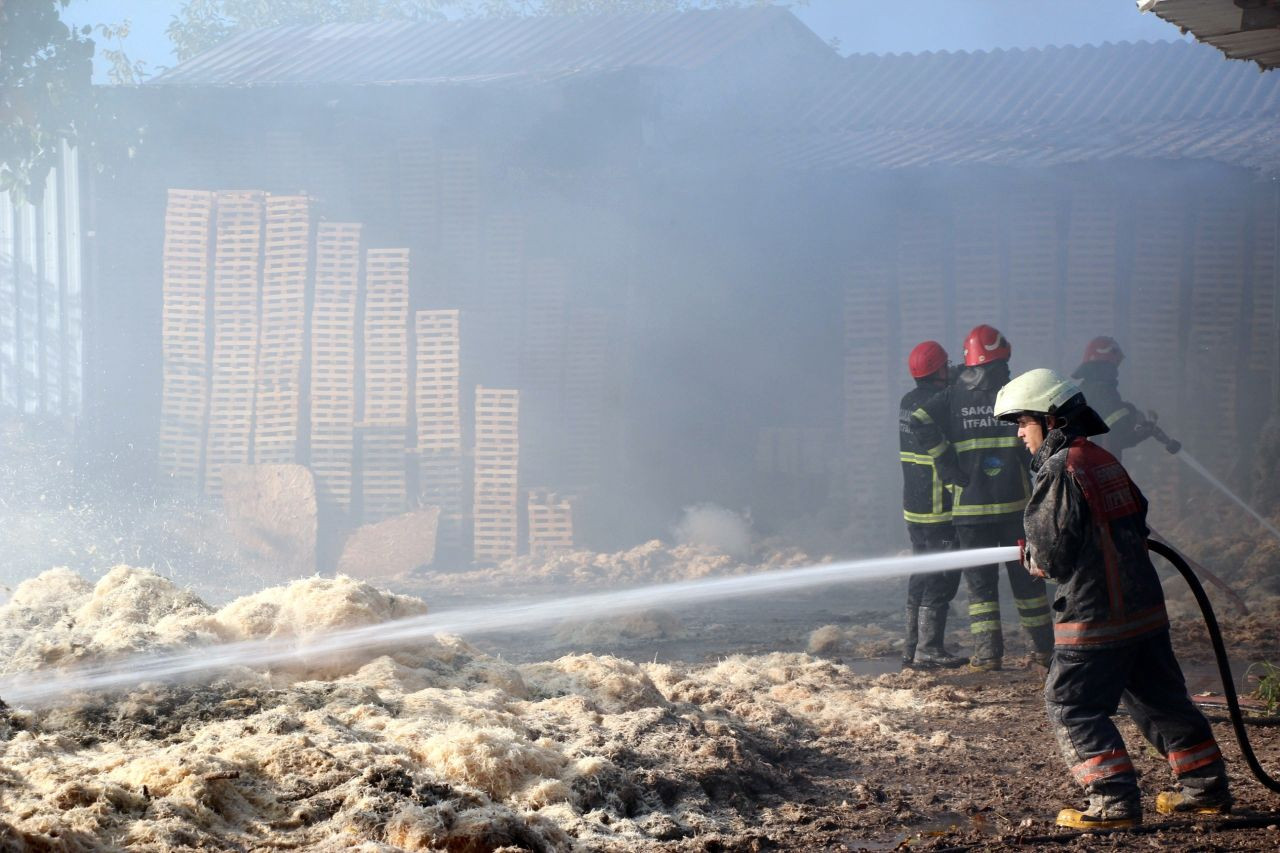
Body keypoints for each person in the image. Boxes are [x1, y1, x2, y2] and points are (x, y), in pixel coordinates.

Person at [994, 368, 1231, 829]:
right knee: (1160, 700)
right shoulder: (1100, 458)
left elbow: (1052, 558)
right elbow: (1138, 519)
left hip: (1095, 616)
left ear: (1051, 419)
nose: (1019, 433)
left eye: (1023, 422)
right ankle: (1206, 789)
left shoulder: (1060, 470)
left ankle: (1113, 802)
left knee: (1071, 704)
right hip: (1142, 609)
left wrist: (1032, 559)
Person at [910, 324, 1053, 671]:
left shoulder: (952, 395)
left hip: (970, 511)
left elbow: (919, 419)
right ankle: (1043, 652)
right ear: (1000, 358)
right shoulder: (1014, 392)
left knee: (980, 589)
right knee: (1029, 582)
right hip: (1016, 508)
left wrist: (946, 462)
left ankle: (988, 656)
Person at [898, 341, 964, 669]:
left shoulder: (908, 401)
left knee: (922, 573)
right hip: (939, 505)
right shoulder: (940, 404)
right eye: (946, 365)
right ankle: (929, 648)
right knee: (942, 577)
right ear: (938, 370)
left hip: (914, 506)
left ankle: (911, 646)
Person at [1071, 337, 1153, 460]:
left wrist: (1143, 433)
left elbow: (1116, 438)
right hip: (1098, 464)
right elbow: (1117, 424)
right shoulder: (1101, 390)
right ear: (1107, 360)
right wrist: (1133, 415)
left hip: (1090, 463)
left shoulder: (1087, 388)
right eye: (1115, 362)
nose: (1116, 367)